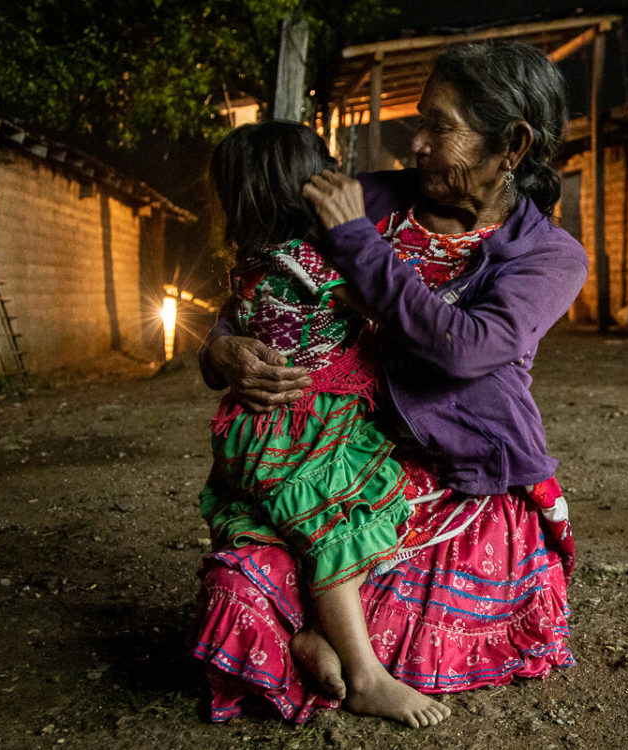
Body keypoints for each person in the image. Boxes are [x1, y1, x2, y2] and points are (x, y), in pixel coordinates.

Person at [193, 40, 588, 725]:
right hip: (325, 453)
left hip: (455, 476)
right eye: (420, 122)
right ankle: (335, 639)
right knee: (240, 587)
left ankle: (340, 645)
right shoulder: (366, 198)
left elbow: (462, 351)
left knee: (403, 594)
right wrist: (223, 352)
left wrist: (356, 240)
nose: (418, 144)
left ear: (513, 145)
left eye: (441, 126)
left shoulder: (548, 256)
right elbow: (263, 278)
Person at [200, 120, 451, 728]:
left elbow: (238, 321)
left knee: (339, 521)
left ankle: (316, 633)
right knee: (339, 526)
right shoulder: (313, 263)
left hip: (257, 431)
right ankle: (366, 677)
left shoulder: (251, 267)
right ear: (303, 189)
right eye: (324, 166)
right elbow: (391, 307)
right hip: (306, 427)